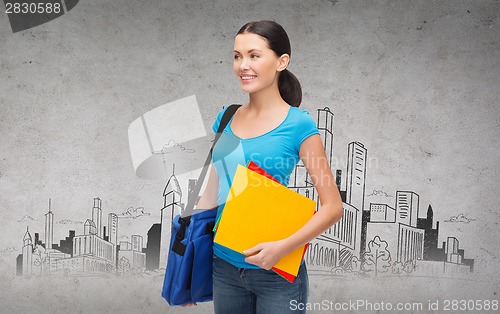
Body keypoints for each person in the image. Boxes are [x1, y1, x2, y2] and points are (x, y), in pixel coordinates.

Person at [192, 20, 343, 313]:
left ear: (281, 61)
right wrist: (189, 273)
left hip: (276, 272)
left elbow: (332, 206)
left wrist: (282, 248)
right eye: (237, 56)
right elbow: (209, 196)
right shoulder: (226, 117)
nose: (242, 65)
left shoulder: (298, 123)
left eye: (254, 55)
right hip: (223, 268)